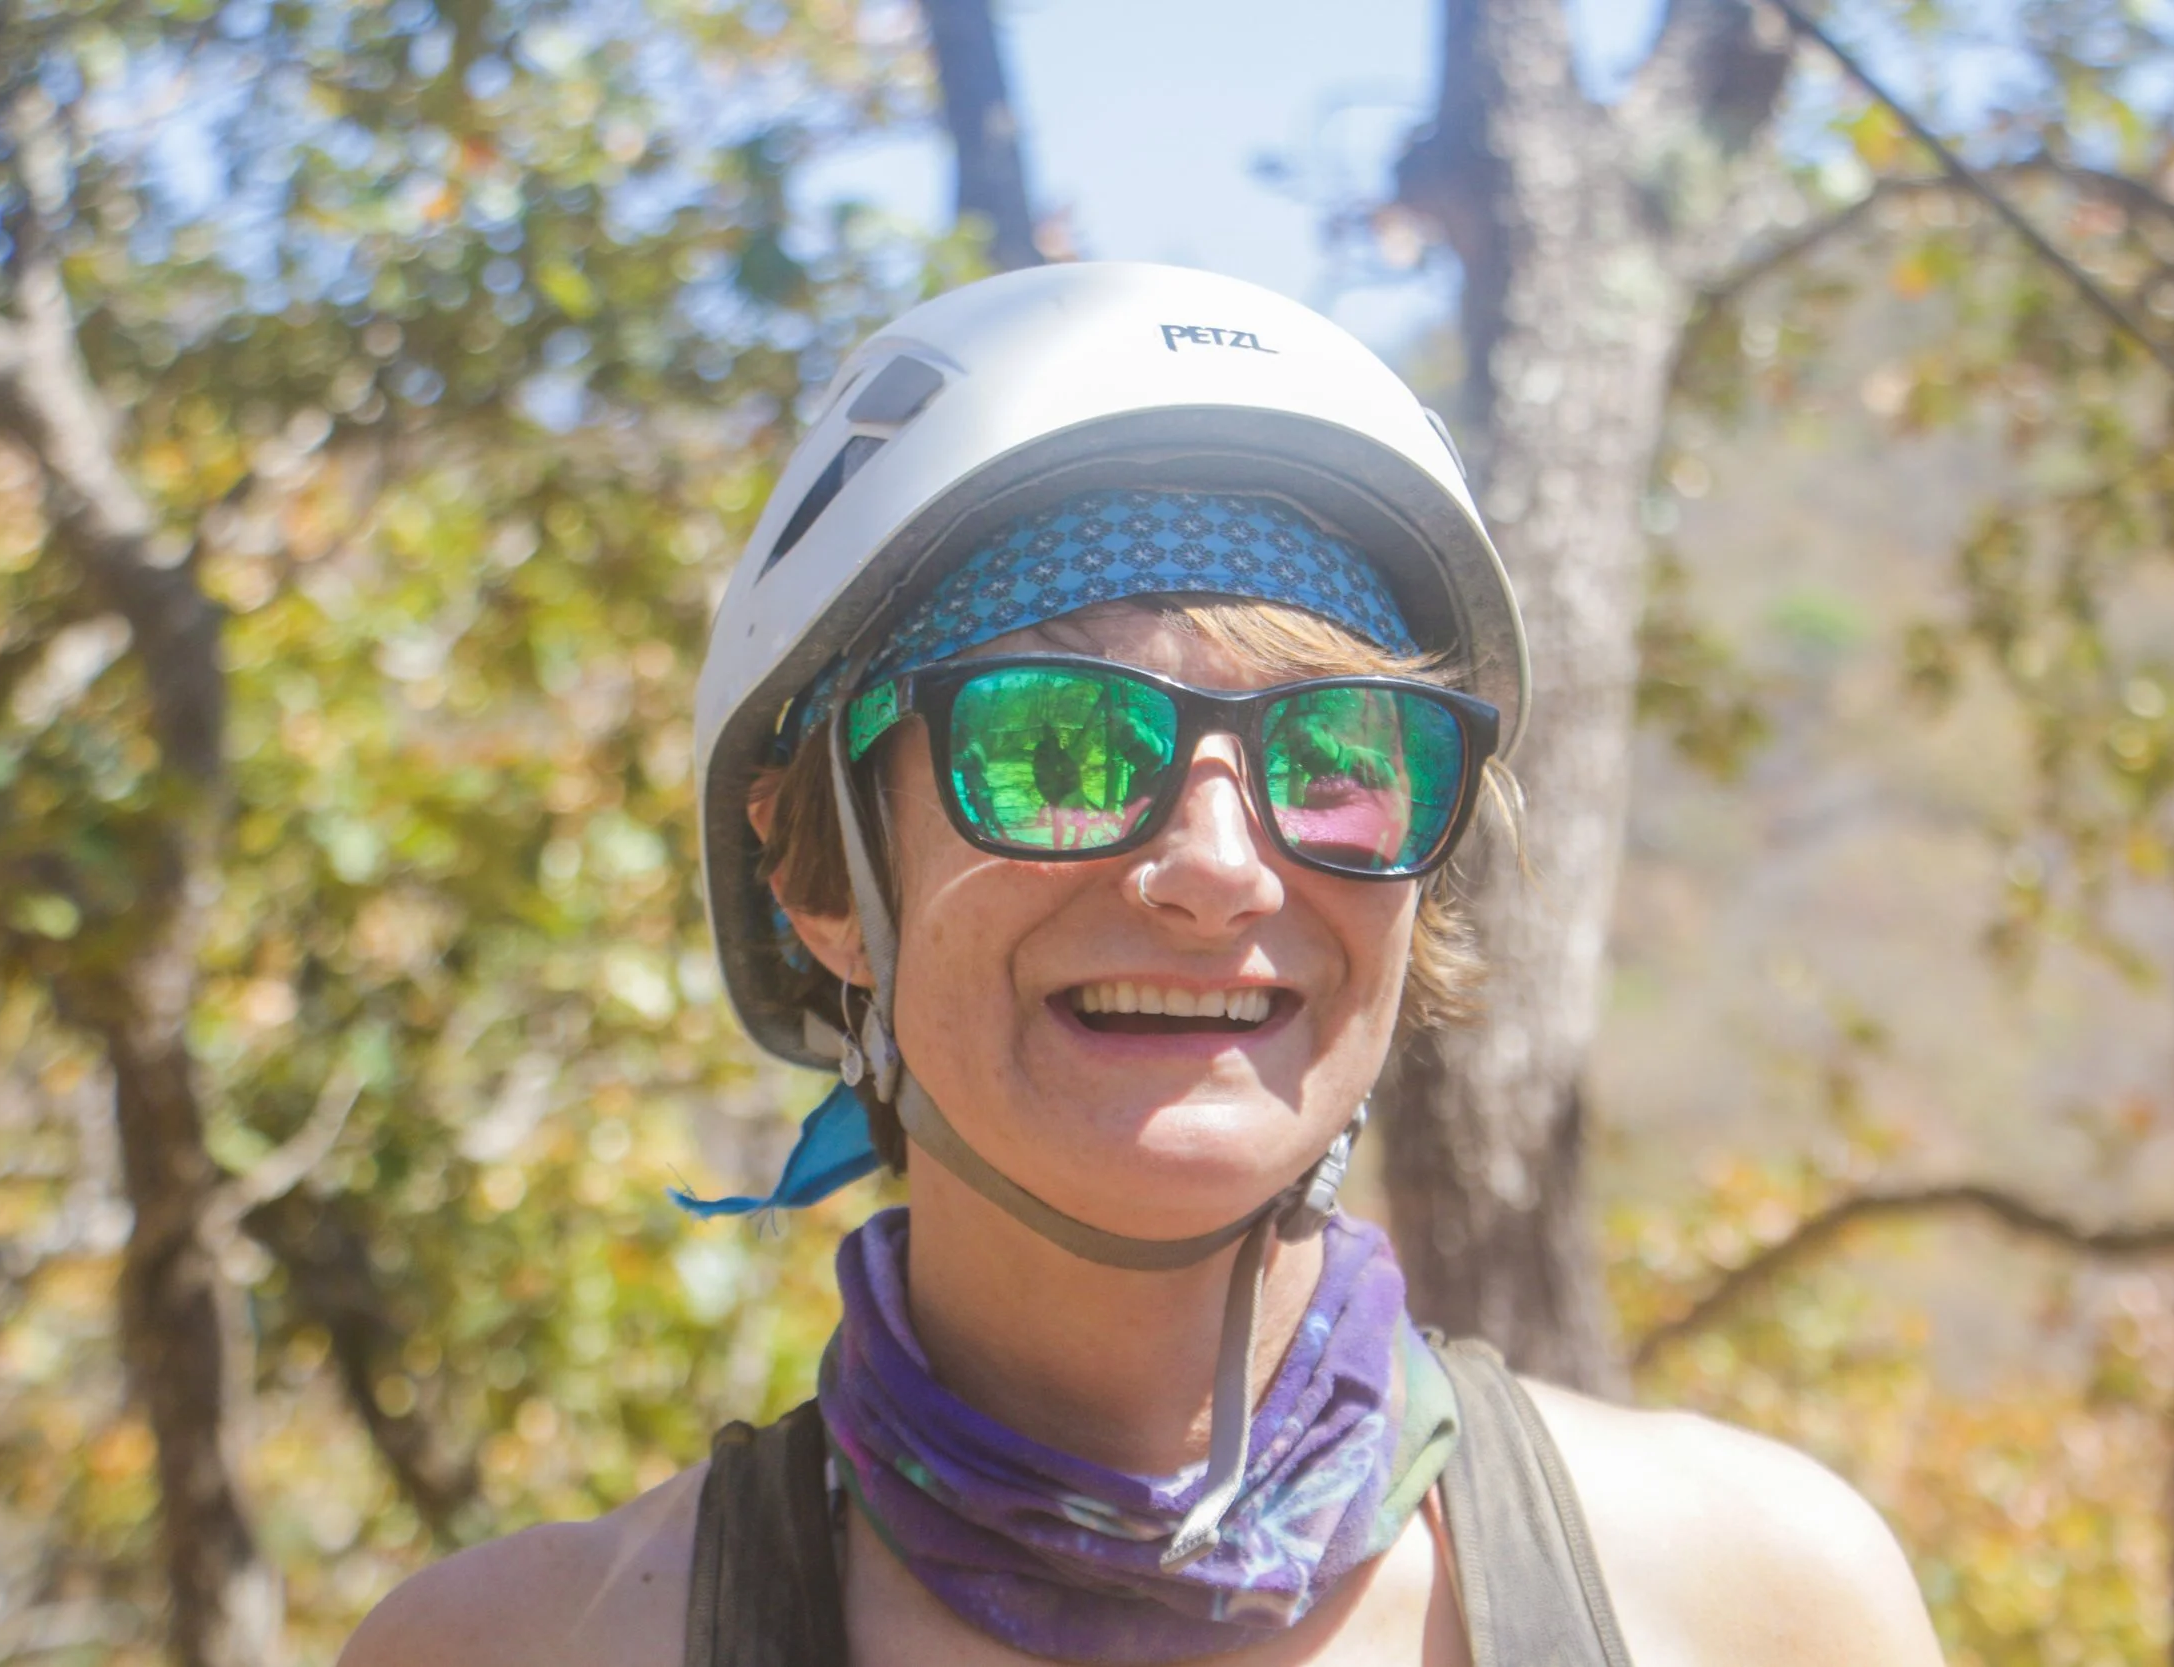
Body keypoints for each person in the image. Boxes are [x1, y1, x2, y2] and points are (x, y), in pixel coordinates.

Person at [341, 263, 1944, 1666]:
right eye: (1054, 743)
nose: (1219, 868)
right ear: (819, 872)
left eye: (1339, 750)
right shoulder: (527, 1644)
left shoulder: (1755, 1603)